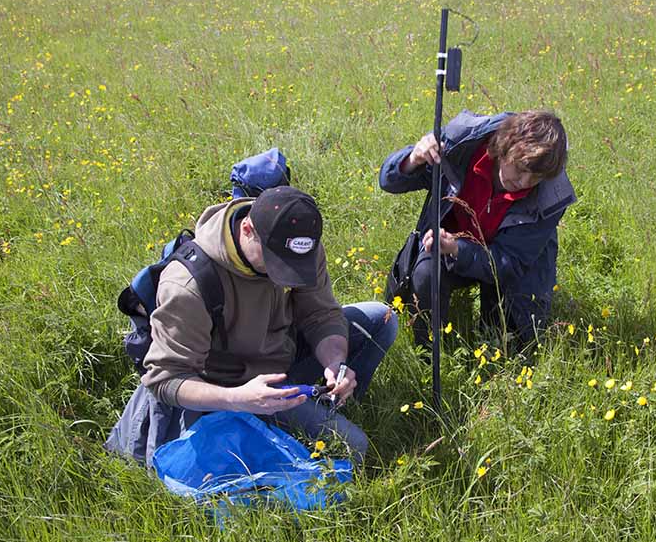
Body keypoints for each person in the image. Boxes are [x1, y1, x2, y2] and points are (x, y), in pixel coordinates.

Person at [106, 186, 398, 467]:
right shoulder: (188, 284)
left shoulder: (298, 246)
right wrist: (239, 399)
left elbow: (320, 314)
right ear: (247, 229)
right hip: (221, 388)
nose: (285, 277)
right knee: (351, 447)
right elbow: (165, 380)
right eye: (277, 264)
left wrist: (336, 362)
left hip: (278, 361)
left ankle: (329, 400)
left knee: (381, 318)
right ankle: (274, 426)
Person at [379, 110, 575, 347]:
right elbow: (388, 182)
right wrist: (413, 158)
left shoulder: (550, 198)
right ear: (504, 147)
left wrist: (458, 248)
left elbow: (509, 263)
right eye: (521, 169)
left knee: (505, 346)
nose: (524, 183)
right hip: (447, 251)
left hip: (505, 268)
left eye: (535, 178)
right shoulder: (460, 147)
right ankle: (430, 351)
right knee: (426, 272)